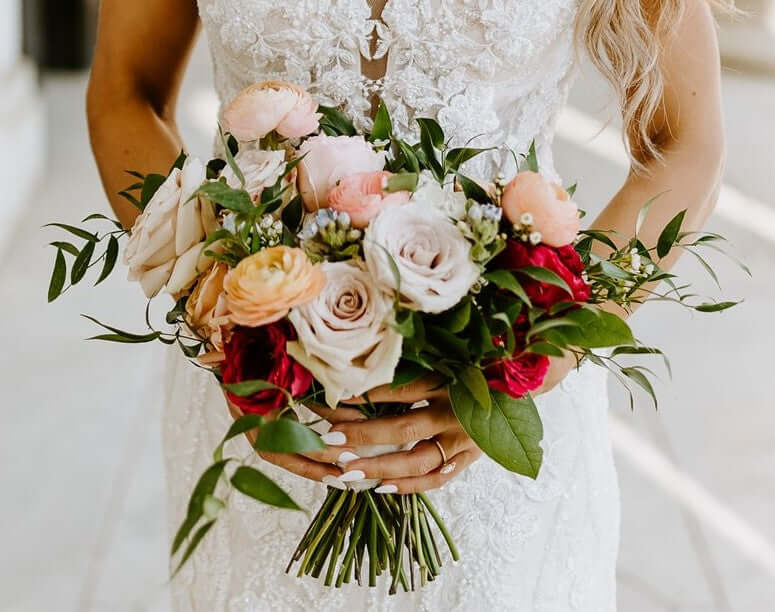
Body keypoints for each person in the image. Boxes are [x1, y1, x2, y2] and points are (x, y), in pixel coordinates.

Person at [86, 0, 730, 609]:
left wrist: (545, 347)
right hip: (260, 381)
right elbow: (125, 92)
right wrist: (221, 307)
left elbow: (685, 143)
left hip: (500, 392)